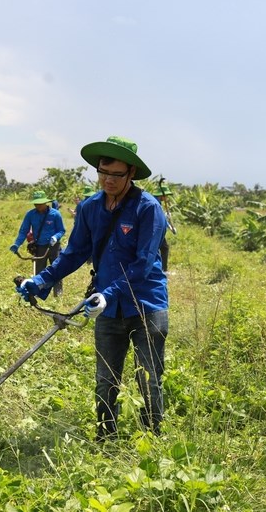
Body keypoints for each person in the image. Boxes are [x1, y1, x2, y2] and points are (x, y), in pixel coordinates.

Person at [16, 136, 169, 440]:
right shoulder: (89, 208)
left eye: (116, 175)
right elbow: (74, 253)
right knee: (105, 379)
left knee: (149, 378)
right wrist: (42, 279)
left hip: (146, 305)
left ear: (130, 174)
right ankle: (106, 437)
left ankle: (153, 437)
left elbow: (143, 263)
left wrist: (108, 293)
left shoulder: (148, 209)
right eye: (103, 172)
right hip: (107, 307)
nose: (108, 180)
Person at [9, 190, 65, 296]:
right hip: (39, 247)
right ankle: (39, 293)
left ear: (46, 202)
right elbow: (23, 231)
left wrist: (55, 237)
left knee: (57, 269)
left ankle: (58, 293)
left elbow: (62, 230)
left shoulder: (55, 214)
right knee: (39, 272)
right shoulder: (30, 214)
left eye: (40, 203)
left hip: (54, 246)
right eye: (36, 203)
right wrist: (17, 244)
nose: (38, 206)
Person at [151, 182, 175, 273]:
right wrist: (168, 225)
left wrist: (169, 226)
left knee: (163, 248)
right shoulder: (155, 203)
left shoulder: (157, 202)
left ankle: (162, 269)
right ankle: (163, 270)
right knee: (163, 248)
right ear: (162, 196)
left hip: (157, 230)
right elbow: (160, 219)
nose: (167, 198)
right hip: (155, 230)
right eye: (166, 196)